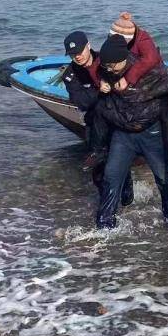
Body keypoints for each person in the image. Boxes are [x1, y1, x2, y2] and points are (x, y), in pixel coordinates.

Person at [94, 36, 168, 228]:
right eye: (105, 66)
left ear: (123, 58)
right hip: (122, 134)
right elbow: (95, 75)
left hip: (151, 132)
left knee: (163, 177)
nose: (109, 69)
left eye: (112, 66)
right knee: (111, 176)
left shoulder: (149, 72)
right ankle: (105, 224)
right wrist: (101, 84)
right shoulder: (105, 70)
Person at [107, 13, 168, 188]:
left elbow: (151, 59)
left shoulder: (142, 38)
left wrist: (129, 78)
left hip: (155, 85)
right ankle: (122, 176)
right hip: (130, 96)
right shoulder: (113, 39)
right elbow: (105, 58)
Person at [61, 31, 135, 206]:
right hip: (94, 123)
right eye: (72, 54)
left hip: (116, 118)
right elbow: (81, 102)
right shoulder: (70, 75)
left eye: (80, 51)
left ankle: (127, 195)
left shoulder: (106, 59)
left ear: (88, 45)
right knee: (99, 171)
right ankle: (108, 202)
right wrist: (98, 89)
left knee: (120, 162)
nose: (77, 56)